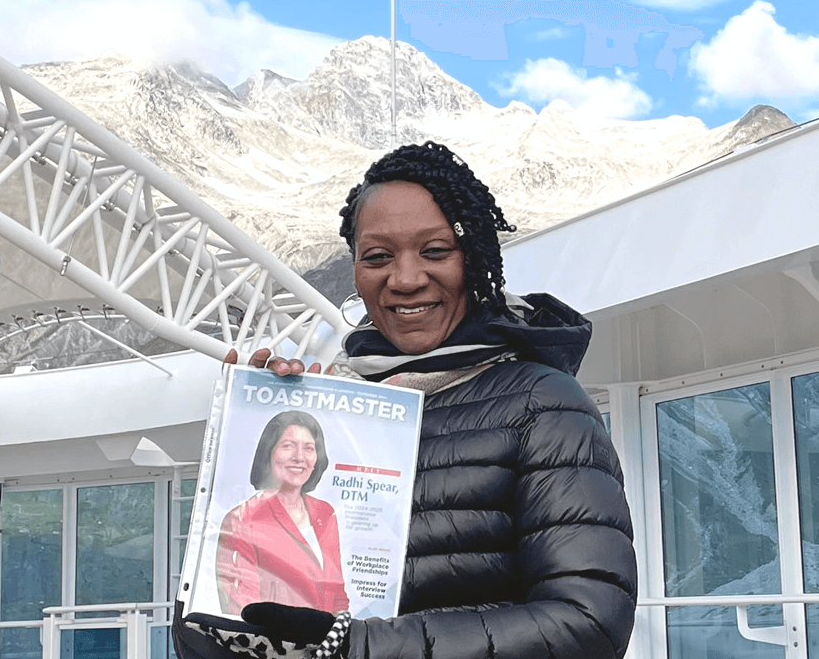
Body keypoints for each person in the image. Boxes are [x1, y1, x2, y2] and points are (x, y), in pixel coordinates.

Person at [174, 141, 637, 659]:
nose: (407, 279)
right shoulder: (340, 406)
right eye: (378, 257)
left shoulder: (541, 402)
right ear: (355, 270)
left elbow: (588, 624)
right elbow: (207, 636)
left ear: (473, 257)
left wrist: (356, 648)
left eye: (435, 251)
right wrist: (239, 442)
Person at [215, 410, 349, 615]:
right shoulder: (242, 519)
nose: (299, 458)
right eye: (288, 446)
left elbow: (337, 594)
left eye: (309, 448)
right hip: (275, 643)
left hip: (328, 642)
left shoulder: (325, 513)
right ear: (269, 452)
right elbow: (241, 607)